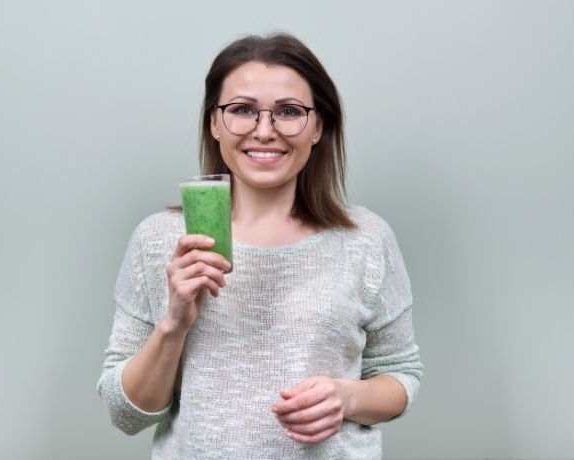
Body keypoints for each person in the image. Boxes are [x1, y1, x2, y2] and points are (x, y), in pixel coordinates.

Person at [97, 32, 423, 459]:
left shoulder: (366, 238)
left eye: (289, 112)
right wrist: (173, 325)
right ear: (214, 123)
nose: (264, 131)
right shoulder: (159, 240)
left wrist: (347, 398)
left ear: (318, 126)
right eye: (242, 110)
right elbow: (127, 416)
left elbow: (401, 374)